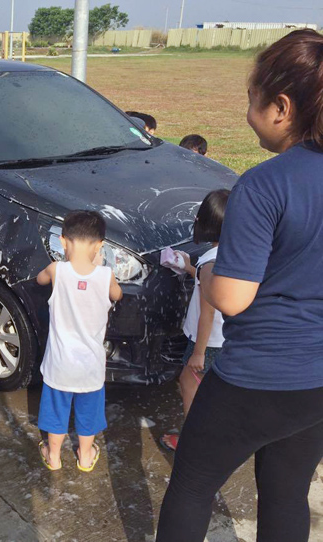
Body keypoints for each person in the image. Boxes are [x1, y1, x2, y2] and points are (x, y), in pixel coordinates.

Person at [156, 30, 323, 542]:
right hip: (319, 380)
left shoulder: (264, 183)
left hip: (260, 375)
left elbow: (231, 297)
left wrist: (206, 272)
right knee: (286, 487)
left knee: (192, 483)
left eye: (252, 100)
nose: (247, 111)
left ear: (282, 106)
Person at [36, 210, 123, 472]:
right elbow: (117, 295)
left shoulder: (56, 270)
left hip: (59, 364)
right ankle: (85, 457)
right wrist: (98, 266)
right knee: (88, 414)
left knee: (55, 412)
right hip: (90, 366)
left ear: (63, 242)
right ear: (100, 246)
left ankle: (53, 456)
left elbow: (40, 280)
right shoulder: (105, 275)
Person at [160, 189, 229, 452]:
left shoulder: (209, 264)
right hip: (226, 338)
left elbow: (207, 313)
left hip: (208, 342)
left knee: (189, 383)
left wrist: (198, 353)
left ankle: (191, 442)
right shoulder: (229, 254)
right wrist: (190, 268)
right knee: (212, 389)